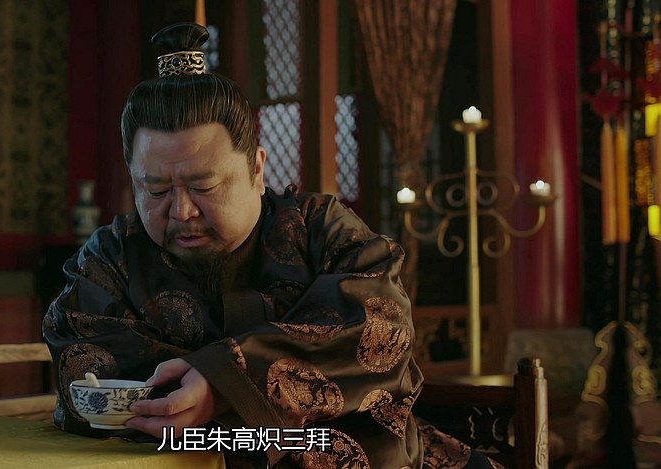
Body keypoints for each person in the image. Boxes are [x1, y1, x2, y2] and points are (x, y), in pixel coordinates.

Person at [43, 22, 494, 468]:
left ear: (257, 170)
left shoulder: (319, 229)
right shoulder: (111, 257)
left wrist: (224, 382)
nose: (181, 211)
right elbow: (84, 367)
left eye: (204, 186)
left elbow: (379, 328)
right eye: (156, 190)